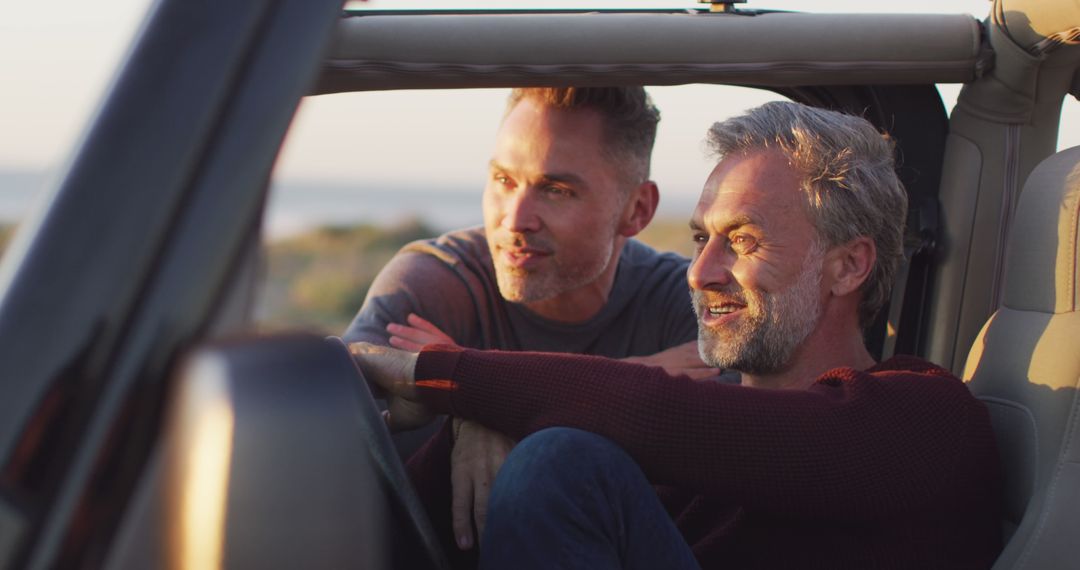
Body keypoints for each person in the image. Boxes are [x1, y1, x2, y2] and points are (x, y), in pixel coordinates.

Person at [351, 101, 1003, 569]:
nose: (701, 272)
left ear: (849, 264)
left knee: (563, 462)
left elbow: (680, 416)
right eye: (700, 239)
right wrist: (476, 421)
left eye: (742, 240)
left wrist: (454, 379)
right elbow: (416, 535)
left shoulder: (927, 418)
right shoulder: (679, 465)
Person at [343, 87, 723, 558]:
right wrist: (482, 405)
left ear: (637, 210)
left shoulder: (685, 304)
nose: (515, 219)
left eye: (556, 190)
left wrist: (481, 392)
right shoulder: (435, 284)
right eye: (503, 180)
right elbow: (324, 430)